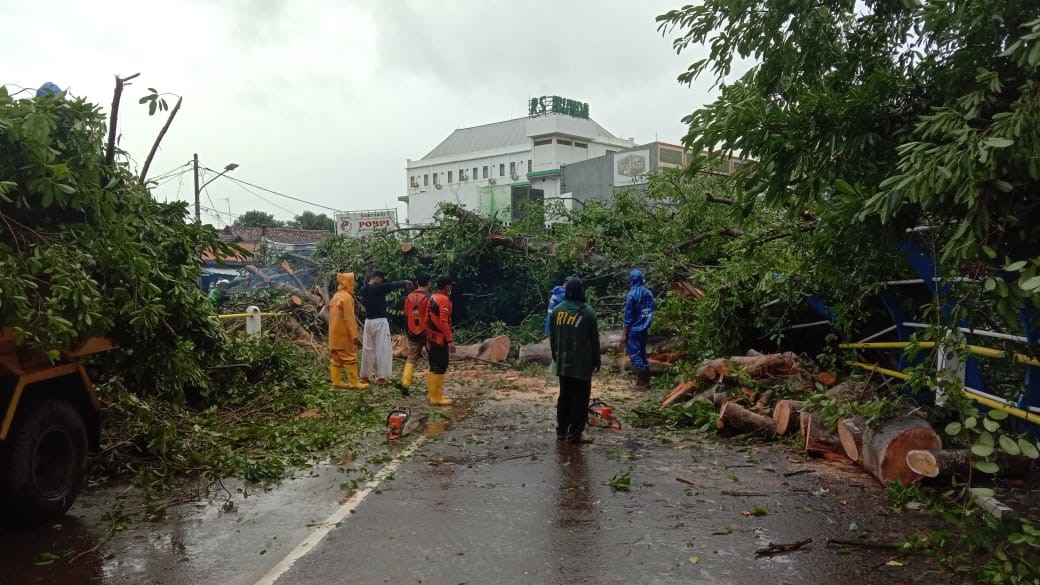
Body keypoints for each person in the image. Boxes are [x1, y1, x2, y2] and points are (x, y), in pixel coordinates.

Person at [549, 278, 600, 443]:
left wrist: (555, 356)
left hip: (563, 362)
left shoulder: (557, 311)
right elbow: (594, 340)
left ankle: (561, 431)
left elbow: (553, 338)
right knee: (580, 398)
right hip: (582, 364)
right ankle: (575, 434)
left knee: (564, 396)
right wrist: (597, 361)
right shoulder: (588, 312)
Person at [358, 270, 413, 384]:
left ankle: (364, 376)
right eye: (381, 279)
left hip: (368, 322)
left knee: (368, 349)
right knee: (382, 349)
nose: (382, 282)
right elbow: (391, 285)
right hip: (380, 321)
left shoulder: (364, 289)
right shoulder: (379, 288)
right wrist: (405, 282)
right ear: (377, 278)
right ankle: (382, 377)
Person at [328, 272, 368, 389]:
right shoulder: (346, 297)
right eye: (352, 281)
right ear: (348, 283)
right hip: (343, 333)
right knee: (350, 357)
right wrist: (354, 335)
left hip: (333, 333)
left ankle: (336, 381)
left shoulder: (336, 296)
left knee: (336, 358)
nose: (354, 284)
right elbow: (349, 318)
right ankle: (354, 382)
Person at [620, 268, 654, 389]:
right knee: (642, 353)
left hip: (634, 330)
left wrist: (624, 333)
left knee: (635, 355)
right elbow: (650, 311)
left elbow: (628, 316)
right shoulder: (648, 293)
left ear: (632, 280)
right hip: (644, 328)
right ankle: (647, 382)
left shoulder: (632, 295)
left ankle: (641, 383)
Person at [425, 276, 455, 406]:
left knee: (433, 365)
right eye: (450, 285)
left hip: (431, 336)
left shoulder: (432, 297)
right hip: (440, 338)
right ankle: (436, 398)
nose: (451, 287)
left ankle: (432, 394)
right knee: (441, 366)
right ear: (446, 286)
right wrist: (450, 340)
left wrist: (427, 337)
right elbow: (443, 322)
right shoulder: (443, 300)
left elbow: (426, 318)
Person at [401, 272, 432, 389]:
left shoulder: (408, 297)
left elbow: (407, 314)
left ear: (417, 283)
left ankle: (405, 383)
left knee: (411, 357)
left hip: (412, 332)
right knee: (433, 358)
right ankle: (432, 388)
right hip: (427, 332)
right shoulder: (430, 297)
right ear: (429, 283)